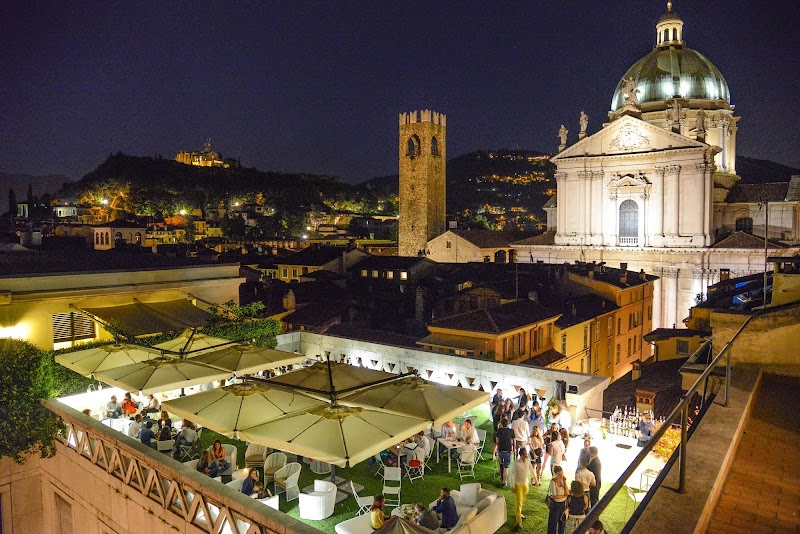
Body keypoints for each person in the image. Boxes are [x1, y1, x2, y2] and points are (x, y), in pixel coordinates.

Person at [508, 448, 538, 531]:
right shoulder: (516, 464)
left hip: (525, 484)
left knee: (522, 501)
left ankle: (519, 514)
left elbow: (531, 469)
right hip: (518, 485)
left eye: (526, 454)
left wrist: (535, 479)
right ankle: (518, 522)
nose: (526, 455)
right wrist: (512, 485)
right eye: (524, 454)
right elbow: (512, 475)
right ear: (521, 455)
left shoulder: (527, 460)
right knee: (518, 503)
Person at [493, 417, 515, 487]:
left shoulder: (499, 431)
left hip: (501, 449)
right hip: (508, 450)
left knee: (501, 462)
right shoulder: (511, 431)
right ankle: (504, 481)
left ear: (501, 424)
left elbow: (497, 441)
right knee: (506, 467)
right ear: (508, 424)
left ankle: (501, 472)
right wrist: (514, 448)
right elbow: (514, 441)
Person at [547, 465, 569, 534]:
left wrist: (565, 482)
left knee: (562, 522)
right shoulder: (553, 482)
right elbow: (554, 496)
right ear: (555, 474)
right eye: (559, 474)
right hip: (555, 505)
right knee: (553, 523)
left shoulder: (563, 480)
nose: (561, 476)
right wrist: (563, 496)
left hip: (563, 504)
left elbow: (567, 492)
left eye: (562, 474)